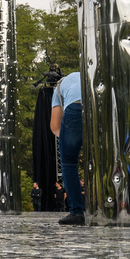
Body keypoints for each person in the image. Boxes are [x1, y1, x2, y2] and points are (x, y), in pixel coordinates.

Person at [51, 69, 85, 225]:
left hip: (75, 108)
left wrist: (68, 141)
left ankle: (77, 212)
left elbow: (55, 125)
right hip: (98, 103)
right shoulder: (86, 74)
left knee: (69, 163)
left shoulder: (59, 87)